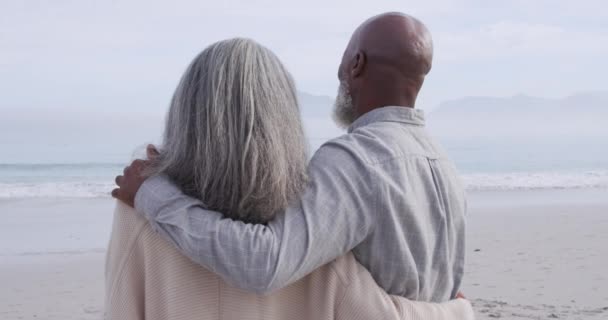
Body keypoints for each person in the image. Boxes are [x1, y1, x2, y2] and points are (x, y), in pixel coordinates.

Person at [105, 38, 474, 320]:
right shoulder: (309, 239)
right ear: (284, 126)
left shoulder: (140, 215)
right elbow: (387, 315)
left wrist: (152, 193)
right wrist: (457, 311)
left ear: (185, 116)